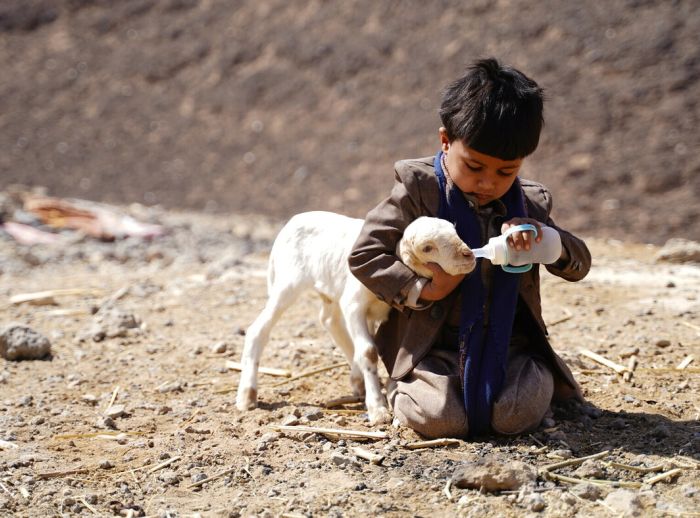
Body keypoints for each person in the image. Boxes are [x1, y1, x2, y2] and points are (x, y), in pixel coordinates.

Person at [348, 58, 591, 439]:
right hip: (433, 346)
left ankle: (537, 376)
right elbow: (365, 253)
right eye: (474, 167)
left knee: (513, 416)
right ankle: (408, 388)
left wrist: (543, 239)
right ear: (446, 141)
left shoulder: (528, 204)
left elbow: (579, 263)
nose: (488, 183)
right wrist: (424, 290)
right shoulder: (419, 190)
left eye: (505, 171)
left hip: (509, 345)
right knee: (445, 420)